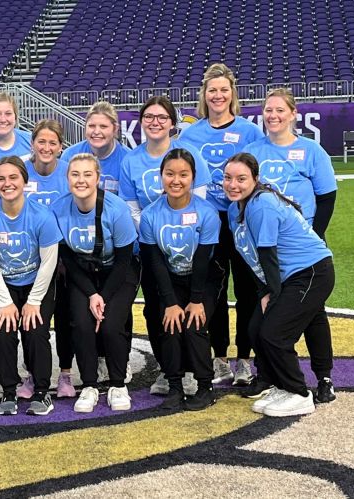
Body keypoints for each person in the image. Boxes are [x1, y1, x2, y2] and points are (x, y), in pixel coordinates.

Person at [242, 88, 338, 403]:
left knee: (311, 312)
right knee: (269, 309)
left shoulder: (311, 151)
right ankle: (268, 375)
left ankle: (324, 378)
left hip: (302, 246)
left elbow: (326, 198)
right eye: (268, 110)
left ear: (293, 114)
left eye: (280, 110)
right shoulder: (254, 150)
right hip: (267, 247)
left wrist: (311, 234)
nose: (273, 116)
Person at [223, 152, 335, 417]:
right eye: (228, 178)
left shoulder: (261, 205)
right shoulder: (234, 208)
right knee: (256, 328)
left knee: (274, 333)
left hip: (311, 273)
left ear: (255, 179)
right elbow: (251, 256)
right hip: (287, 276)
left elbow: (267, 254)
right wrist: (265, 291)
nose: (233, 184)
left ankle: (299, 393)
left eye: (241, 178)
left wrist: (272, 293)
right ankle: (281, 385)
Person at [179, 64, 265, 386]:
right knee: (212, 292)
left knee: (246, 291)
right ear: (205, 95)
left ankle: (244, 358)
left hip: (241, 220)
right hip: (207, 224)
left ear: (233, 94)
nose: (218, 95)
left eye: (223, 89)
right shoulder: (191, 134)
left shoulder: (249, 131)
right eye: (212, 90)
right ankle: (219, 359)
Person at [118, 95, 211, 395]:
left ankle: (199, 370)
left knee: (194, 310)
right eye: (149, 117)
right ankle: (168, 369)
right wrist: (153, 232)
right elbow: (130, 207)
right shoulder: (131, 160)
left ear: (172, 122)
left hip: (190, 247)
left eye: (162, 117)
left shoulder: (189, 153)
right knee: (157, 311)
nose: (155, 122)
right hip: (151, 246)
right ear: (141, 122)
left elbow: (200, 202)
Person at [0, 156, 62, 416]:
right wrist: (6, 302)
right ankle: (8, 390)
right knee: (4, 334)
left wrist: (33, 302)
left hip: (37, 282)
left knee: (35, 332)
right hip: (4, 285)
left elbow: (48, 263)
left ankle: (43, 391)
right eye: (1, 178)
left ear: (25, 180)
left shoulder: (42, 216)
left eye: (13, 177)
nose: (7, 183)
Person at [52, 153, 139, 412]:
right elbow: (66, 256)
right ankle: (89, 385)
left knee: (112, 324)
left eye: (88, 174)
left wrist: (104, 295)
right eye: (75, 174)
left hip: (118, 272)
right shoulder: (58, 209)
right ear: (67, 178)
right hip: (82, 274)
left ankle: (118, 384)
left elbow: (124, 259)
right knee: (80, 323)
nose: (81, 180)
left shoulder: (116, 208)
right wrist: (91, 294)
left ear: (98, 178)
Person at [139, 148, 223, 411]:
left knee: (194, 325)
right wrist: (170, 302)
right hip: (171, 277)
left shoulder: (207, 213)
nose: (176, 180)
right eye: (170, 174)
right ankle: (174, 386)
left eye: (183, 174)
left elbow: (202, 260)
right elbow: (155, 262)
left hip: (204, 278)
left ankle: (205, 386)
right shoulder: (151, 215)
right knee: (170, 323)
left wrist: (196, 300)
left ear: (193, 177)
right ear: (160, 176)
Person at [18, 120, 75, 399]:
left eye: (53, 143)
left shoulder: (67, 172)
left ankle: (65, 374)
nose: (47, 147)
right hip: (26, 256)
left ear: (60, 147)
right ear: (32, 144)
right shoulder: (21, 170)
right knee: (31, 319)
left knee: (64, 317)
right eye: (42, 142)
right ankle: (32, 373)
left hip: (63, 254)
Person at [61, 101, 130, 196]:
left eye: (103, 126)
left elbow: (129, 203)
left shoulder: (127, 159)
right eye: (92, 126)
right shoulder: (69, 155)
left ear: (115, 129)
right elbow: (64, 196)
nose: (96, 131)